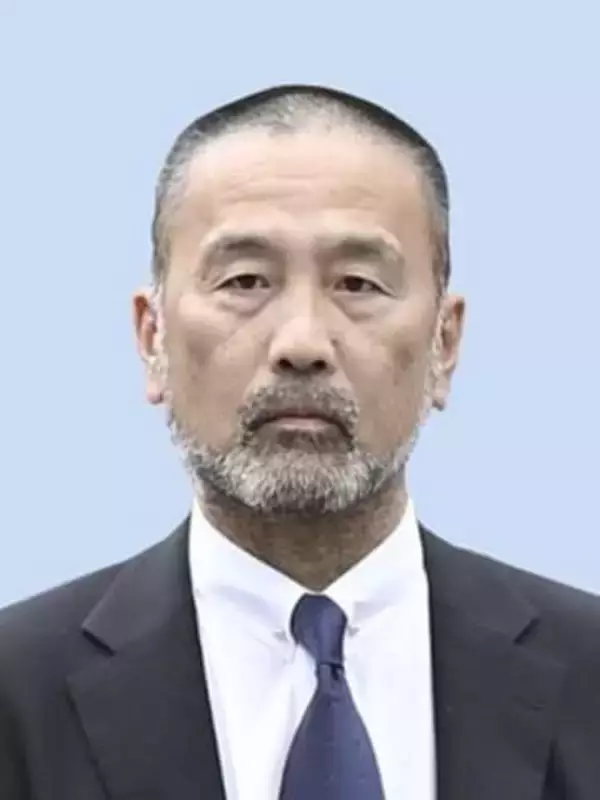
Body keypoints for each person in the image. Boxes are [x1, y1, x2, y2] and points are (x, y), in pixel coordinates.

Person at [1, 83, 599, 800]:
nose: (303, 342)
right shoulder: (18, 693)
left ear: (444, 343)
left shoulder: (587, 677)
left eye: (358, 283)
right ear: (152, 338)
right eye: (246, 280)